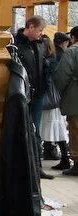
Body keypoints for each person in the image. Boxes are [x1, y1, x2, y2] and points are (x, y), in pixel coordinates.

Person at [16, 16, 54, 179]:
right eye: (39, 30)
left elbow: (43, 67)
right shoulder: (15, 45)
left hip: (37, 94)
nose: (41, 34)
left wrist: (44, 85)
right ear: (30, 27)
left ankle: (36, 167)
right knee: (21, 131)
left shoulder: (40, 45)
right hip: (22, 95)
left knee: (36, 132)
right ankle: (23, 168)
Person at [40, 33, 69, 167]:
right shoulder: (58, 57)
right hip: (55, 100)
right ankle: (63, 157)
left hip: (44, 99)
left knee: (43, 127)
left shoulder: (45, 60)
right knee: (58, 128)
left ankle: (53, 154)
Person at [55, 26, 78, 176]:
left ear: (73, 37)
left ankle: (77, 162)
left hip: (75, 96)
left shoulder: (72, 51)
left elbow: (62, 75)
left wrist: (61, 91)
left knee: (75, 130)